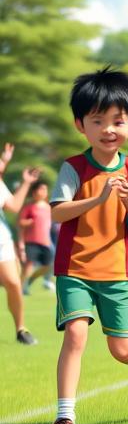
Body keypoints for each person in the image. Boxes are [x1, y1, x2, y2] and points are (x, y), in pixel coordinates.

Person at [47, 67, 128, 424]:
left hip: (116, 273)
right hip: (74, 269)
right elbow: (58, 211)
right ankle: (65, 418)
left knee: (122, 349)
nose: (108, 129)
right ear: (81, 125)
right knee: (76, 335)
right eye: (98, 120)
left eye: (118, 121)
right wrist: (96, 198)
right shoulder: (73, 168)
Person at [0, 142, 40, 345]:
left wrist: (26, 182)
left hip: (2, 243)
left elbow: (14, 206)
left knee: (14, 284)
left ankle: (20, 329)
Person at [19, 178, 55, 294]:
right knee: (28, 266)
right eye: (41, 189)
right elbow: (20, 222)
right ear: (34, 192)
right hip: (32, 241)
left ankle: (30, 281)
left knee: (49, 265)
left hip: (46, 242)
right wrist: (28, 222)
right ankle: (20, 287)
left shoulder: (49, 207)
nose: (44, 191)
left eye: (45, 189)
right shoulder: (29, 207)